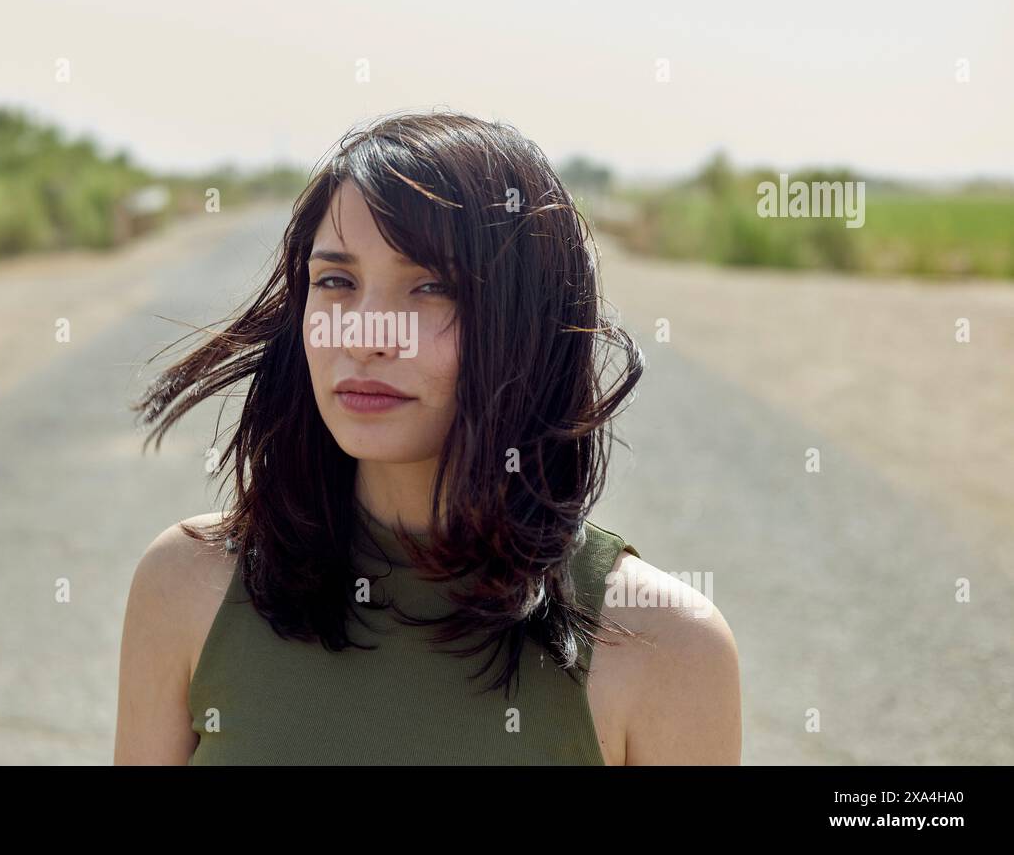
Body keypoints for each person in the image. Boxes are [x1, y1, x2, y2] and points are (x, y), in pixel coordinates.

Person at [114, 111, 741, 764]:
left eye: (431, 287)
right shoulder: (188, 584)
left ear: (529, 321)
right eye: (335, 281)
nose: (364, 334)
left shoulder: (665, 647)